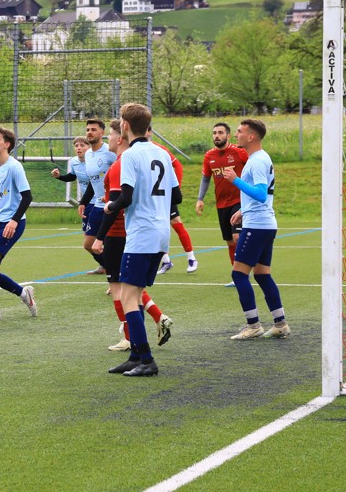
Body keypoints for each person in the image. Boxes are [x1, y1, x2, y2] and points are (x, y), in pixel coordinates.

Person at [102, 103, 180, 376]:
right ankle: (135, 356)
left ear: (124, 126)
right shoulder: (162, 153)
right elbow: (177, 196)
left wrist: (109, 207)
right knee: (132, 294)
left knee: (128, 297)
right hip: (160, 234)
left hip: (141, 233)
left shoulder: (130, 156)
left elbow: (125, 197)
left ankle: (146, 359)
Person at [222, 118, 289, 340]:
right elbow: (264, 194)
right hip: (265, 224)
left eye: (239, 131)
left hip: (257, 226)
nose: (236, 135)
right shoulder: (260, 158)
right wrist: (243, 210)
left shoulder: (257, 161)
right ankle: (280, 324)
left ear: (251, 136)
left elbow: (260, 194)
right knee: (261, 274)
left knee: (238, 274)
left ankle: (253, 325)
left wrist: (235, 180)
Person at [0, 127, 38, 321]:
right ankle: (23, 294)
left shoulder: (14, 167)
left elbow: (27, 197)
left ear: (7, 144)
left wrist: (14, 220)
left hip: (13, 223)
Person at [196, 122, 249, 287]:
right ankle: (237, 275)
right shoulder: (209, 156)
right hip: (221, 205)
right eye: (214, 133)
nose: (217, 136)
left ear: (228, 135)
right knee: (230, 242)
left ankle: (243, 273)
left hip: (239, 201)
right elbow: (206, 178)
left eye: (220, 132)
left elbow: (252, 170)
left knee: (237, 237)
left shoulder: (239, 152)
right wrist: (200, 199)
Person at [71, 119, 116, 276]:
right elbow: (93, 180)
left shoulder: (110, 152)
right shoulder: (88, 154)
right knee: (89, 244)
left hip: (113, 205)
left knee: (112, 243)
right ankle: (108, 267)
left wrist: (113, 197)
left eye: (93, 129)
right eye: (88, 130)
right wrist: (83, 202)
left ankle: (116, 274)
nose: (90, 132)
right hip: (98, 205)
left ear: (102, 133)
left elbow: (122, 173)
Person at [153, 138, 199, 275]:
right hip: (151, 196)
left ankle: (192, 259)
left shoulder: (160, 149)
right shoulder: (134, 149)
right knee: (155, 228)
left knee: (176, 223)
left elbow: (178, 165)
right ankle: (166, 261)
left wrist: (175, 187)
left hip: (164, 193)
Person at [51, 136, 94, 268]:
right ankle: (104, 264)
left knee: (95, 238)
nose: (79, 148)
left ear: (89, 147)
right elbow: (72, 176)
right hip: (86, 204)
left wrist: (83, 202)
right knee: (88, 239)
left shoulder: (94, 161)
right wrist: (59, 176)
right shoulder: (74, 162)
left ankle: (109, 264)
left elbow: (94, 184)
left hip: (98, 202)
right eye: (76, 146)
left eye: (82, 145)